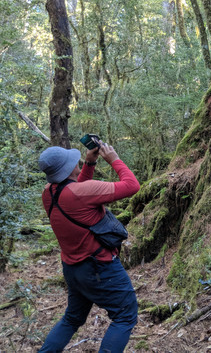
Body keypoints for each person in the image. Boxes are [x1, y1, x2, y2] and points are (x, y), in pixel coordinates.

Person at [38, 141, 141, 353]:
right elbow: (132, 186)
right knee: (125, 314)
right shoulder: (80, 192)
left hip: (73, 269)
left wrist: (90, 163)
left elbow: (76, 190)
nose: (76, 162)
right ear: (67, 169)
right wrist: (113, 159)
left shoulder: (48, 193)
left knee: (72, 319)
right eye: (73, 161)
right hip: (99, 268)